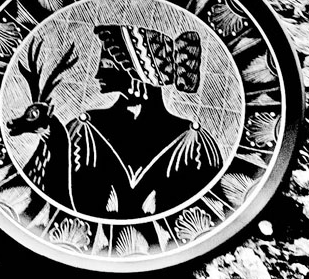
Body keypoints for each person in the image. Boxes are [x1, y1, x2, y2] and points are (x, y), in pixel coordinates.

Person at [67, 24, 222, 218]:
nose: (98, 74)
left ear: (138, 74)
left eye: (108, 65)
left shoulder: (194, 144)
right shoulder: (83, 131)